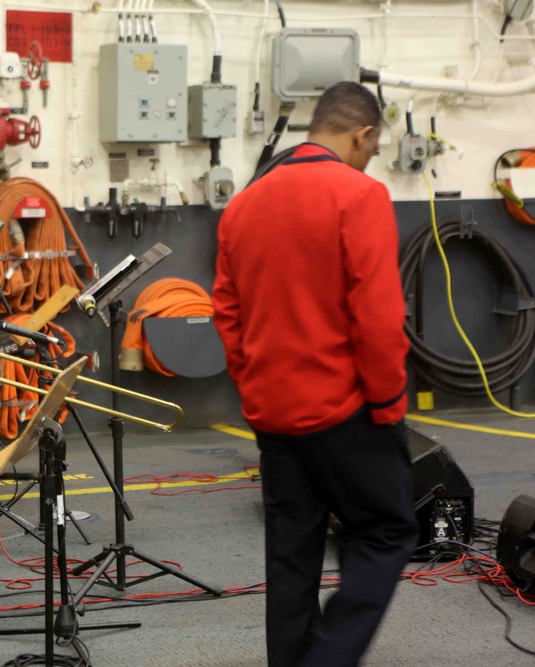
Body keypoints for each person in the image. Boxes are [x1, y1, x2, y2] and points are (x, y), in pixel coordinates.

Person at [212, 81, 418, 667]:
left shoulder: (243, 205)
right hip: (347, 410)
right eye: (372, 149)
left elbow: (226, 312)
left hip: (272, 412)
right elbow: (378, 317)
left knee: (292, 553)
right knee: (385, 532)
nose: (369, 159)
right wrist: (388, 404)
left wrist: (253, 384)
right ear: (364, 135)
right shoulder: (360, 194)